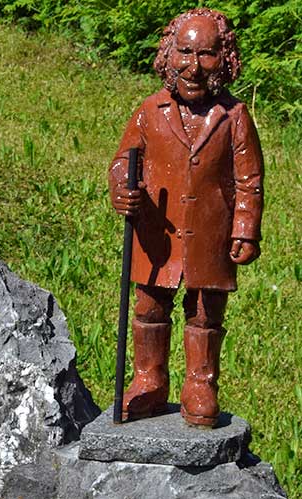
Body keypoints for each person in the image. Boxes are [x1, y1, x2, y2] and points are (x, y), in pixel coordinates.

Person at [108, 8, 264, 426]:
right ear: (168, 53)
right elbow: (124, 161)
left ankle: (201, 381)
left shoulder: (234, 117)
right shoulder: (149, 110)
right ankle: (148, 379)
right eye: (184, 52)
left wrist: (245, 230)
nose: (193, 67)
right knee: (150, 307)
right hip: (157, 232)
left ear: (224, 59)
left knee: (204, 313)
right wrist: (123, 187)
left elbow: (250, 181)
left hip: (211, 234)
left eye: (207, 55)